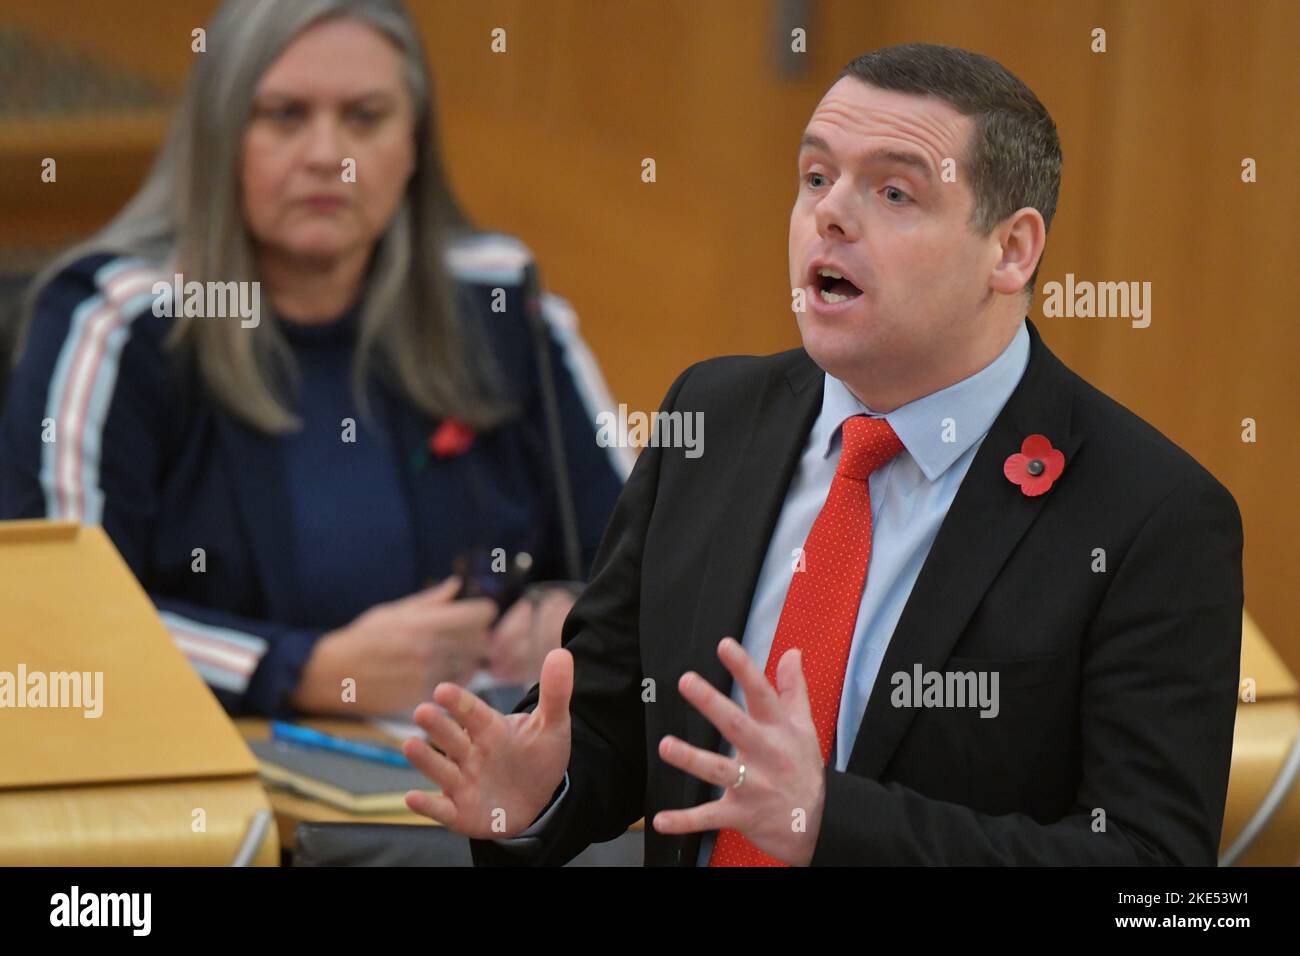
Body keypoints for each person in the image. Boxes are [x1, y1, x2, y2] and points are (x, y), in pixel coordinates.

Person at [401, 43, 1244, 866]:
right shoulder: (712, 418)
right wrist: (541, 789)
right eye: (815, 177)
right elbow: (624, 723)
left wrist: (834, 824)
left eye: (892, 191)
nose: (829, 214)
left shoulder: (1151, 518)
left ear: (1011, 250)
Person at [0, 0, 627, 718]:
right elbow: (53, 622)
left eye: (365, 117)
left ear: (414, 143)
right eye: (285, 116)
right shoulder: (120, 320)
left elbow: (642, 567)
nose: (328, 153)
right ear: (219, 138)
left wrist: (561, 611)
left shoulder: (499, 302)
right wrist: (301, 670)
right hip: (226, 793)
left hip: (472, 787)